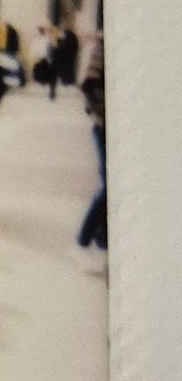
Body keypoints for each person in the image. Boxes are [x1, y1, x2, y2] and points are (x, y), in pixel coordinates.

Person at [77, 30, 106, 257]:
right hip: (105, 124)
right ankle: (83, 239)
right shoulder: (100, 45)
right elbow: (88, 83)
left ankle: (102, 239)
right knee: (109, 184)